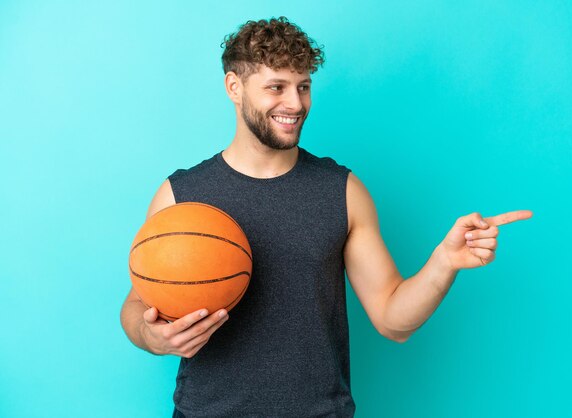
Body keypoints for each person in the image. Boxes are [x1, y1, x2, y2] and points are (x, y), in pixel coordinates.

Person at [120, 16, 533, 418]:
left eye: (304, 87)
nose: (296, 103)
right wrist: (151, 335)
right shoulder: (181, 194)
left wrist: (444, 263)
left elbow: (393, 320)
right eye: (276, 87)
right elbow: (137, 305)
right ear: (234, 87)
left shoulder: (343, 191)